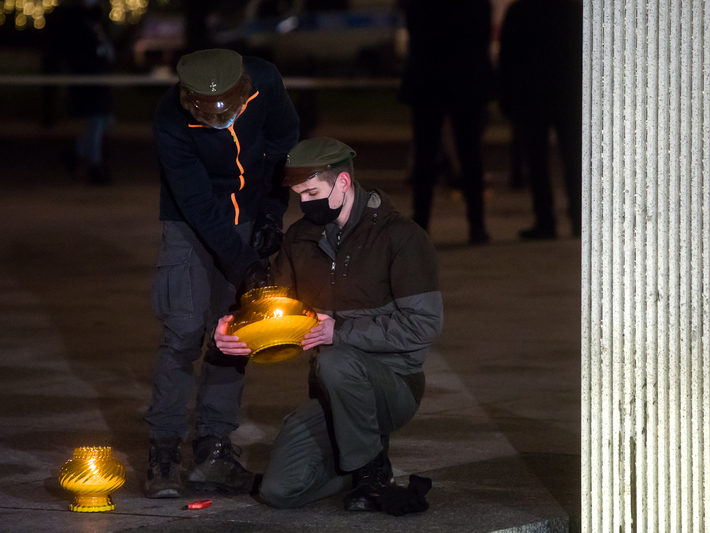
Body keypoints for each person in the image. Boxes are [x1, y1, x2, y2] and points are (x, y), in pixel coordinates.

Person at [214, 137, 442, 513]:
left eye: (313, 192)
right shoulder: (300, 238)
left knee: (336, 358)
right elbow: (276, 307)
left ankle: (373, 471)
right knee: (278, 491)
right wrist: (235, 328)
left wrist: (339, 329)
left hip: (394, 384)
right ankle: (359, 460)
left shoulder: (401, 238)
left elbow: (423, 326)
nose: (305, 203)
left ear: (343, 184)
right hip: (329, 389)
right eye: (300, 195)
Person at [143, 48, 299, 499]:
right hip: (188, 221)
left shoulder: (265, 81)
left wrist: (271, 212)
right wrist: (246, 263)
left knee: (233, 331)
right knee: (183, 332)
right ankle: (164, 451)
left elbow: (283, 142)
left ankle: (214, 449)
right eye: (206, 113)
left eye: (227, 111)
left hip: (249, 211)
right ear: (188, 98)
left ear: (243, 91)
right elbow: (196, 204)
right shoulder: (169, 119)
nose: (219, 120)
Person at [399, 0, 495, 245]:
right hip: (465, 79)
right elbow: (482, 34)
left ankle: (421, 220)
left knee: (425, 153)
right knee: (470, 152)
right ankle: (477, 223)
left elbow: (415, 32)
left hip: (429, 79)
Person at [498, 0, 583, 239]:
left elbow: (508, 57)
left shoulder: (520, 11)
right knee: (573, 159)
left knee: (537, 161)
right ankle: (578, 217)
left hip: (533, 94)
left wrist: (507, 96)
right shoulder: (572, 10)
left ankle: (546, 220)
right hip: (568, 94)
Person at [44, 0, 116, 185]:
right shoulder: (77, 26)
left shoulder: (93, 26)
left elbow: (107, 53)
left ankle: (75, 154)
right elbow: (80, 55)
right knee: (97, 122)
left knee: (102, 122)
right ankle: (93, 167)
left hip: (96, 81)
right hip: (88, 82)